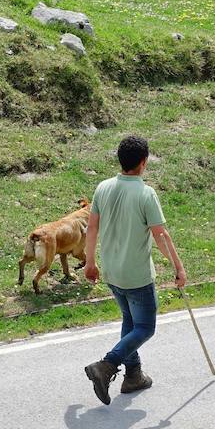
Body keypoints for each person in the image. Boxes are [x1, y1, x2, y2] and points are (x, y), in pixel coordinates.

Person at [82, 134, 187, 405]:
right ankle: (107, 365)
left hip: (111, 272)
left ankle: (133, 375)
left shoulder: (103, 188)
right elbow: (161, 235)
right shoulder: (145, 193)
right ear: (144, 162)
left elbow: (92, 227)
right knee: (145, 327)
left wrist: (90, 261)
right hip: (136, 275)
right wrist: (178, 267)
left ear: (120, 160)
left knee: (130, 323)